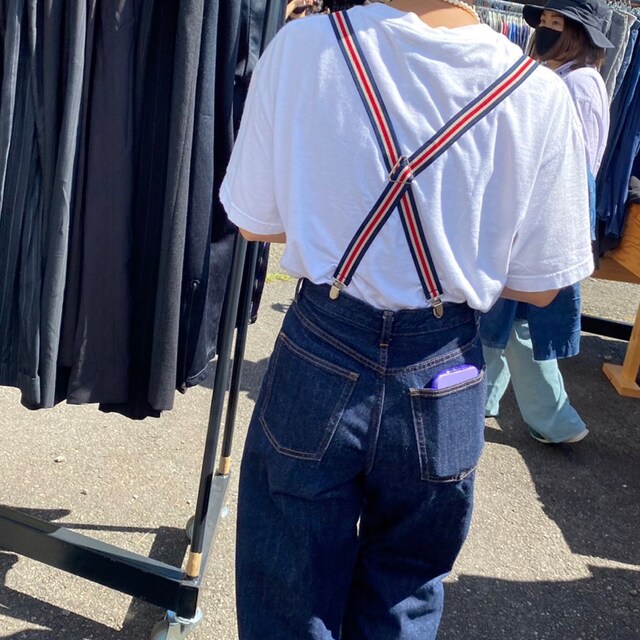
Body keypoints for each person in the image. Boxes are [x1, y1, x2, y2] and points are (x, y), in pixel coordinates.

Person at [220, 1, 593, 638]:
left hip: (322, 340)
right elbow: (540, 288)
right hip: (443, 362)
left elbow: (255, 221)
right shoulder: (540, 93)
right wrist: (462, 254)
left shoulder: (303, 48)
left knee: (288, 583)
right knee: (404, 591)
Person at [480, 0, 611, 445]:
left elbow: (577, 163)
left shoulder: (579, 83)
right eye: (547, 22)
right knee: (507, 312)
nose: (548, 30)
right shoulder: (562, 76)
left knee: (520, 316)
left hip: (547, 213)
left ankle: (556, 421)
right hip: (538, 210)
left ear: (579, 34)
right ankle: (485, 398)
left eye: (559, 23)